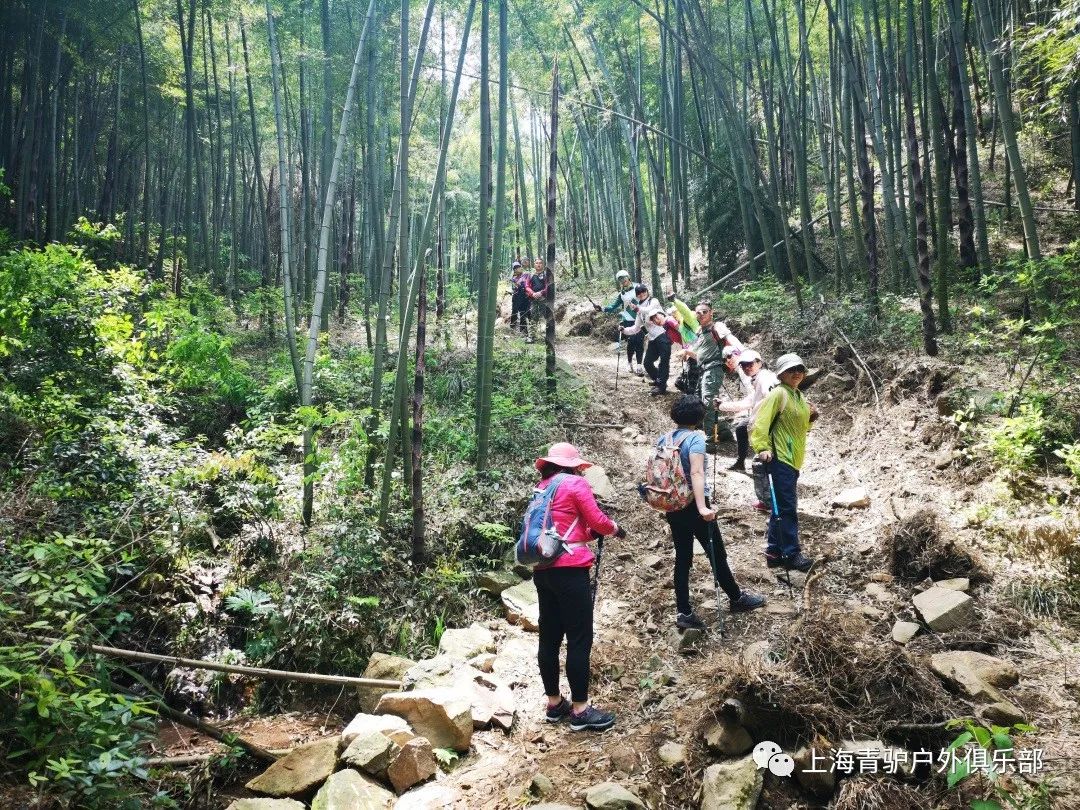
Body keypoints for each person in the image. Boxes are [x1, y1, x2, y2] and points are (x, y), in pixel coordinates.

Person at [531, 442, 623, 732]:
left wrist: (588, 532)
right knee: (580, 638)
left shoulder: (542, 486)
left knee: (549, 637)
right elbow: (598, 521)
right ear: (574, 465)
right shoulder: (574, 484)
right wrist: (614, 528)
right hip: (570, 572)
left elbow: (565, 527)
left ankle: (555, 703)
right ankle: (581, 711)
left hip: (543, 568)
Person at [659, 395, 765, 630]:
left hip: (673, 504)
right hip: (694, 506)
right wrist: (702, 507)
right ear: (699, 418)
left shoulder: (664, 438)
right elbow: (696, 474)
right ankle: (736, 598)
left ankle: (683, 611)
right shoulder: (695, 438)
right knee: (716, 553)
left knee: (682, 557)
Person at [750, 353, 819, 572]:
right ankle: (791, 553)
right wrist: (762, 448)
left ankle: (774, 552)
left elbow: (801, 429)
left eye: (800, 369)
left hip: (793, 459)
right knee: (787, 507)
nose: (797, 373)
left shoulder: (798, 396)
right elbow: (760, 423)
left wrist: (811, 418)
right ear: (781, 374)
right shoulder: (779, 394)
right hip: (779, 457)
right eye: (791, 370)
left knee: (780, 507)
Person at [682, 303, 745, 450]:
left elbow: (731, 339)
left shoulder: (717, 327)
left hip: (714, 369)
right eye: (698, 312)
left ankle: (710, 441)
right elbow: (699, 354)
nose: (701, 314)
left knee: (708, 401)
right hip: (702, 370)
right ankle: (723, 431)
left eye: (705, 311)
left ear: (711, 312)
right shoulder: (699, 331)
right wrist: (686, 353)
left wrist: (744, 352)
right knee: (700, 403)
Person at [717, 349, 778, 476]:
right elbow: (749, 401)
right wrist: (722, 406)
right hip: (763, 419)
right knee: (741, 428)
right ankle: (741, 463)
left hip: (767, 421)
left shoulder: (764, 379)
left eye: (750, 364)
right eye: (743, 365)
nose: (746, 367)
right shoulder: (759, 378)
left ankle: (768, 473)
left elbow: (773, 398)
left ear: (759, 363)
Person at [623, 301, 678, 395]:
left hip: (663, 336)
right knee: (647, 362)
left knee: (664, 362)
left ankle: (661, 386)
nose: (641, 296)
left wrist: (638, 308)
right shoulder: (639, 314)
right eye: (638, 294)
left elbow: (648, 309)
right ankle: (658, 381)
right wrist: (624, 330)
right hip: (652, 339)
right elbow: (635, 328)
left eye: (642, 293)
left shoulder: (653, 303)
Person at [597, 271, 643, 375]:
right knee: (631, 342)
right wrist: (602, 309)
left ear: (628, 277)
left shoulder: (638, 287)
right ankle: (630, 363)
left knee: (639, 342)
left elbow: (646, 299)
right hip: (627, 319)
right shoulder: (621, 294)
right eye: (620, 279)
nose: (623, 280)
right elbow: (613, 306)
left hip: (640, 318)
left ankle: (639, 365)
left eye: (624, 278)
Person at [525, 257, 551, 343]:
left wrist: (541, 292)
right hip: (533, 299)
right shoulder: (531, 275)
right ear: (534, 264)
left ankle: (550, 336)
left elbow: (548, 285)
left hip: (544, 299)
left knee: (547, 316)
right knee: (533, 317)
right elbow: (527, 286)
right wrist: (532, 293)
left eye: (540, 263)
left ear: (543, 264)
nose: (538, 264)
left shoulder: (546, 274)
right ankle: (532, 337)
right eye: (537, 263)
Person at [509, 261, 530, 335]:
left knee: (523, 312)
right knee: (514, 311)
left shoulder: (526, 275)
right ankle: (512, 326)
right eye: (515, 268)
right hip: (516, 296)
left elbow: (527, 284)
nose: (517, 269)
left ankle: (523, 329)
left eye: (518, 267)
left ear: (520, 267)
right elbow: (514, 286)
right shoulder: (513, 278)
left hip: (524, 296)